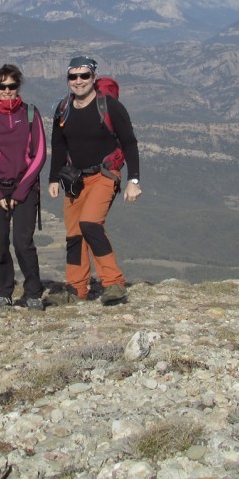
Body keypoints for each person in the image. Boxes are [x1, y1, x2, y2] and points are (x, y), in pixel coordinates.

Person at [47, 55, 141, 305]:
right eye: (73, 76)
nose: (78, 81)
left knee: (90, 223)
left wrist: (134, 180)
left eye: (84, 76)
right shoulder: (62, 108)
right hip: (74, 179)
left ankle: (113, 283)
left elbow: (130, 142)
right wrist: (54, 178)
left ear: (94, 77)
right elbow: (58, 144)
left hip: (104, 175)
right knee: (74, 233)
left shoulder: (110, 106)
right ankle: (76, 288)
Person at [0, 64, 47, 312]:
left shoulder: (31, 114)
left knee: (23, 241)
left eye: (12, 86)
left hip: (24, 188)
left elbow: (39, 157)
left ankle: (33, 292)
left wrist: (19, 192)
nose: (7, 91)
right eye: (2, 86)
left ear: (19, 87)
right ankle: (3, 293)